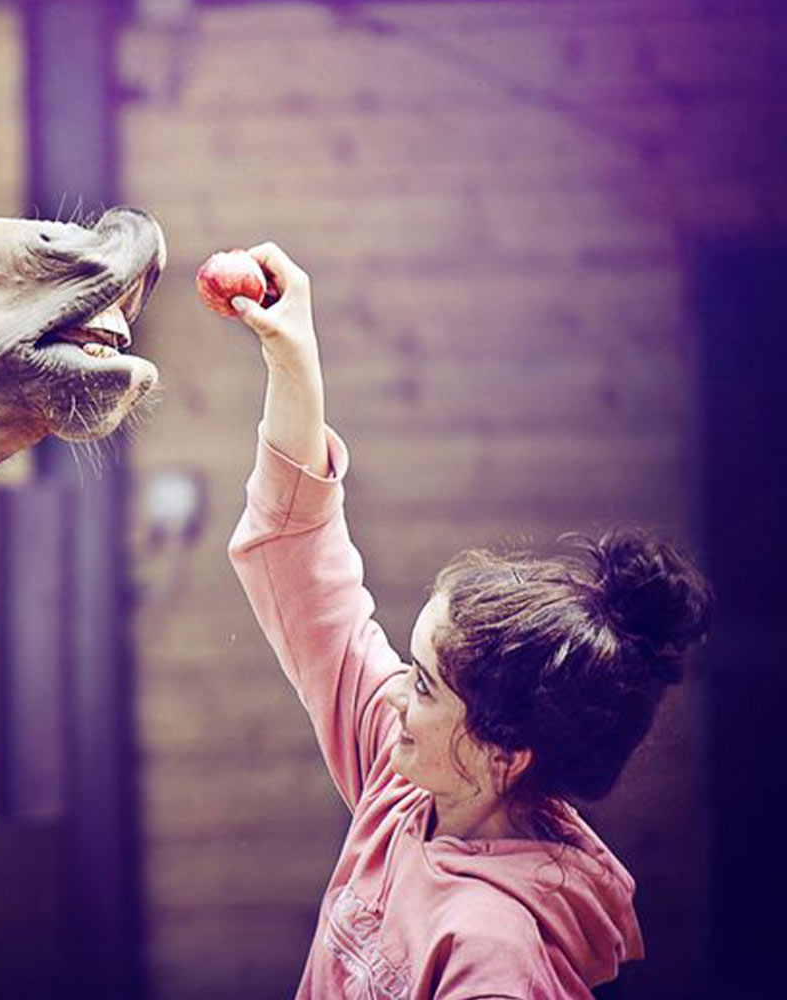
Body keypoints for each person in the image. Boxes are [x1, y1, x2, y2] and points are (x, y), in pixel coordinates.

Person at [223, 243, 712, 998]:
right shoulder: (409, 785)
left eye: (423, 685)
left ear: (501, 755)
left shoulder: (498, 961)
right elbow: (303, 565)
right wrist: (295, 362)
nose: (391, 696)